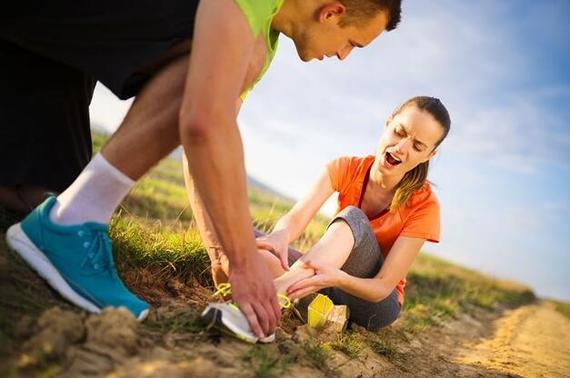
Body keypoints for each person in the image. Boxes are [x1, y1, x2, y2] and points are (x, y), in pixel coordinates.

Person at [3, 0, 402, 341]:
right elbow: (203, 122)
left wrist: (220, 251)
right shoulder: (250, 33)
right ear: (332, 12)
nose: (344, 56)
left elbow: (208, 140)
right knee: (228, 54)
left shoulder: (264, 35)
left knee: (37, 191)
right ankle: (72, 222)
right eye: (353, 43)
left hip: (40, 49)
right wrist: (243, 262)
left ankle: (65, 214)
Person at [201, 96, 450, 341]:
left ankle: (267, 304)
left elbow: (383, 286)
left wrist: (337, 277)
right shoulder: (345, 168)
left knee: (353, 217)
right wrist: (280, 235)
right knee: (242, 240)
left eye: (417, 146)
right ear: (388, 122)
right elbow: (297, 218)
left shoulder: (426, 205)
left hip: (373, 304)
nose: (401, 148)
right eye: (399, 132)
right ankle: (316, 307)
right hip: (324, 278)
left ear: (429, 155)